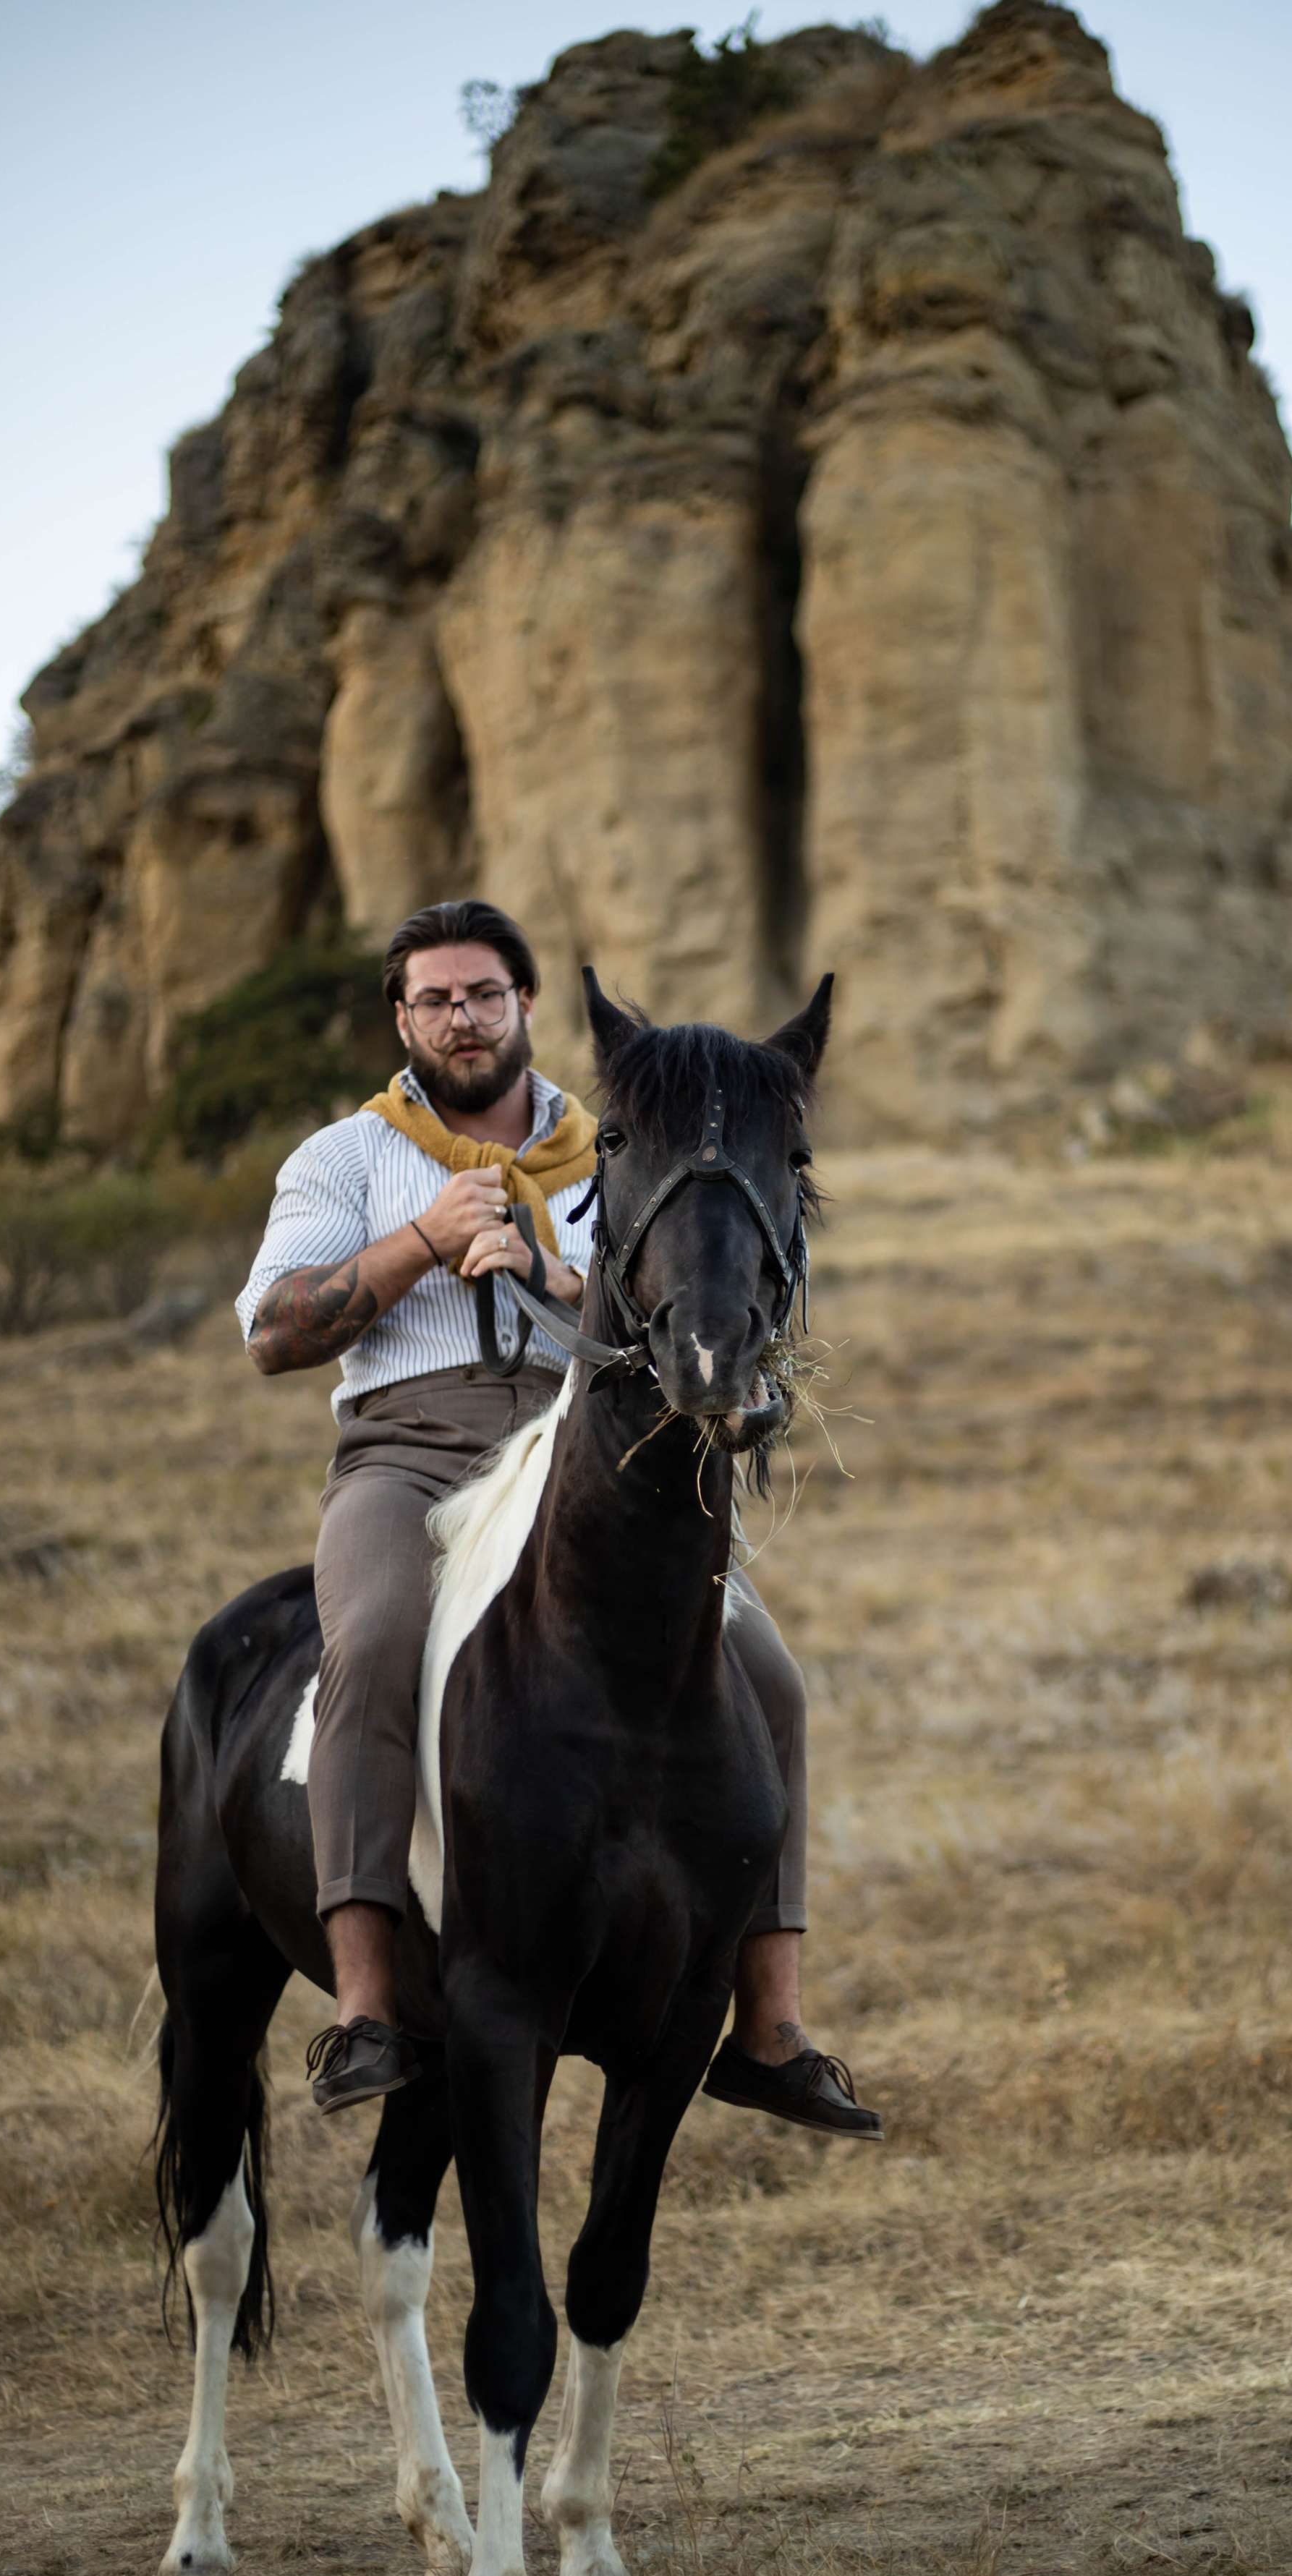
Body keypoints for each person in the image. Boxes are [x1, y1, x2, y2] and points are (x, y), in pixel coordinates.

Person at [234, 897, 878, 2140]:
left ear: (526, 1005)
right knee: (374, 1635)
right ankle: (366, 2004)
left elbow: (675, 1291)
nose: (462, 1019)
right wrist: (419, 1242)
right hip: (409, 1457)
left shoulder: (617, 1141)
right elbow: (273, 1333)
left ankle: (771, 2028)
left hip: (580, 1452)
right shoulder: (344, 1160)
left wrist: (546, 1271)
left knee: (771, 1679)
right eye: (434, 999)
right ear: (401, 1018)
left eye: (484, 993)